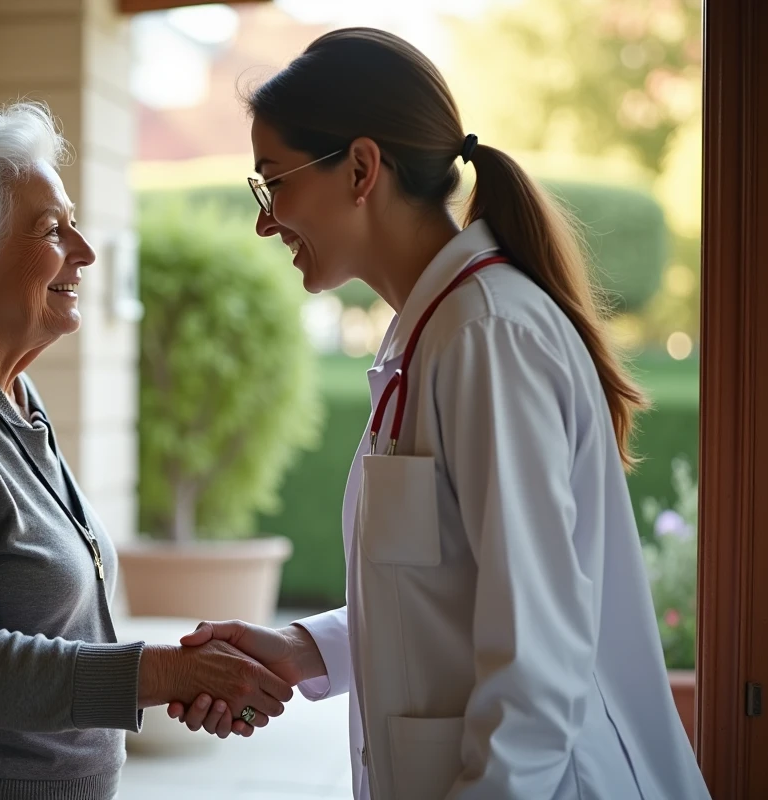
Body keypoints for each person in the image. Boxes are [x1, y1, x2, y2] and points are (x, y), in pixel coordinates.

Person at [168, 28, 711, 800]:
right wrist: (302, 649)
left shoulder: (488, 336)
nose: (265, 221)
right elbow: (448, 593)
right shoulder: (433, 336)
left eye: (274, 182)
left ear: (362, 169)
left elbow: (537, 662)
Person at [0, 102, 291, 800]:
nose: (86, 250)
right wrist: (164, 672)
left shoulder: (7, 396)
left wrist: (180, 677)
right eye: (51, 229)